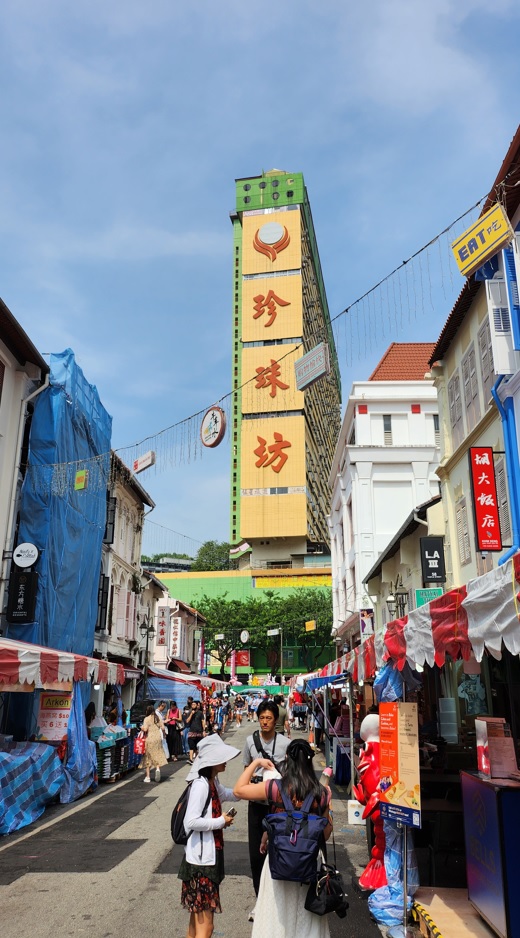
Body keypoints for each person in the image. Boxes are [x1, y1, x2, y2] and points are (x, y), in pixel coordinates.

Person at [234, 739, 332, 937]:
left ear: (287, 759)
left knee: (277, 911)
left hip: (279, 858)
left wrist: (255, 763)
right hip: (309, 861)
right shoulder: (322, 793)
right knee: (305, 915)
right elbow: (325, 833)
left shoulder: (275, 788)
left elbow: (239, 790)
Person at [179, 734, 240, 938]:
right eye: (221, 757)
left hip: (204, 857)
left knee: (195, 926)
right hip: (201, 863)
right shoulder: (201, 785)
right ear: (212, 761)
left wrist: (250, 787)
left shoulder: (212, 781)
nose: (225, 761)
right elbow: (191, 821)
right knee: (206, 927)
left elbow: (228, 794)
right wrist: (221, 821)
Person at [242, 699, 291, 917]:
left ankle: (278, 903)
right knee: (256, 856)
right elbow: (246, 769)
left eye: (269, 718)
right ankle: (259, 903)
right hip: (256, 804)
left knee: (278, 852)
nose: (265, 722)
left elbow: (290, 776)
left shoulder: (285, 743)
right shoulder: (250, 741)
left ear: (275, 719)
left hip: (277, 806)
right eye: (261, 718)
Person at [140, 704, 168, 783]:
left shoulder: (146, 719)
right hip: (158, 738)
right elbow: (162, 727)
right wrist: (164, 735)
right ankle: (158, 769)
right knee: (157, 754)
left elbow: (145, 729)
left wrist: (141, 727)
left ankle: (148, 777)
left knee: (148, 757)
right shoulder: (158, 717)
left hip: (150, 738)